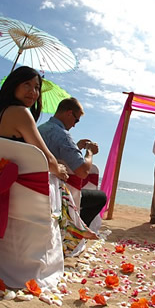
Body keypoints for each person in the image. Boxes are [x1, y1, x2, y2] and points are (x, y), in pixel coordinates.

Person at [0, 66, 96, 243]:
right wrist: (60, 168)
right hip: (22, 187)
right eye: (27, 85)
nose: (33, 92)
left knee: (59, 179)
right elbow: (47, 157)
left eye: (36, 87)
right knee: (60, 181)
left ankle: (78, 226)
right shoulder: (21, 113)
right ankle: (76, 228)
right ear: (14, 85)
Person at [38, 97, 107, 227]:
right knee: (100, 197)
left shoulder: (41, 129)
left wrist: (76, 147)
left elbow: (55, 152)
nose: (75, 124)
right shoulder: (63, 135)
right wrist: (90, 152)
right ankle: (76, 231)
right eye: (76, 120)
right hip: (58, 192)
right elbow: (82, 171)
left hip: (38, 185)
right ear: (69, 113)